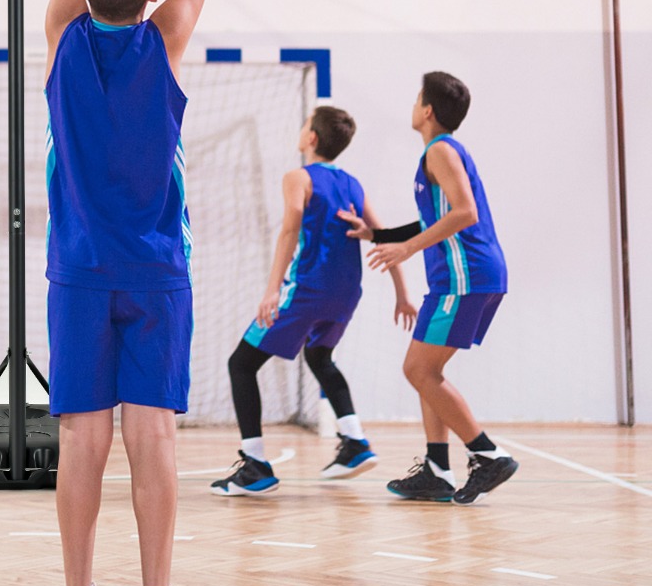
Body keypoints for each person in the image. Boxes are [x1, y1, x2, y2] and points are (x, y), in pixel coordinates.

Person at [43, 0, 257, 586]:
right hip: (158, 273)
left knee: (82, 443)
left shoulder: (60, 33)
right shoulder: (167, 36)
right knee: (153, 437)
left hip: (79, 272)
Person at [212, 107, 415, 497]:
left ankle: (254, 464)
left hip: (307, 289)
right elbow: (384, 235)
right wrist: (402, 293)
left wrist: (272, 289)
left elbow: (290, 229)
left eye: (304, 124)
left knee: (241, 364)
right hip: (345, 292)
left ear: (312, 138)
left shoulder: (297, 177)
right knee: (319, 357)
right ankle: (354, 440)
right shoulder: (353, 184)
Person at [339, 72, 518, 505]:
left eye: (417, 97)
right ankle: (437, 469)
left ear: (428, 110)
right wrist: (380, 236)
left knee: (418, 370)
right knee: (427, 371)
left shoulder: (440, 151)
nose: (413, 103)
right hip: (465, 276)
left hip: (465, 276)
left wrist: (407, 250)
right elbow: (437, 216)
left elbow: (465, 212)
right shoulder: (442, 152)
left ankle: (487, 454)